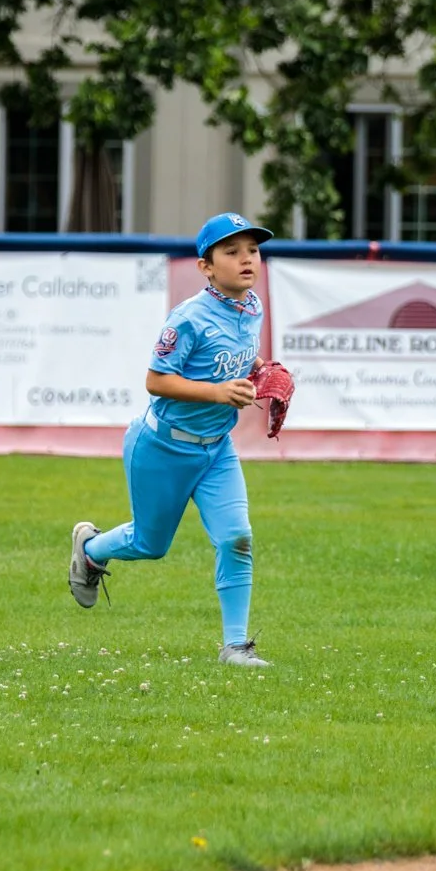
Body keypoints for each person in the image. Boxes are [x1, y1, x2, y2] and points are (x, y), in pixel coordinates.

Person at [69, 212, 274, 667]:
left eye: (253, 250)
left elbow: (237, 356)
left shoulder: (252, 307)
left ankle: (235, 647)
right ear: (206, 266)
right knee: (149, 544)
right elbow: (156, 381)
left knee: (237, 537)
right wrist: (220, 391)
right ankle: (90, 550)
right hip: (162, 447)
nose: (247, 259)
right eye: (232, 251)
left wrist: (259, 369)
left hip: (217, 448)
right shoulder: (187, 319)